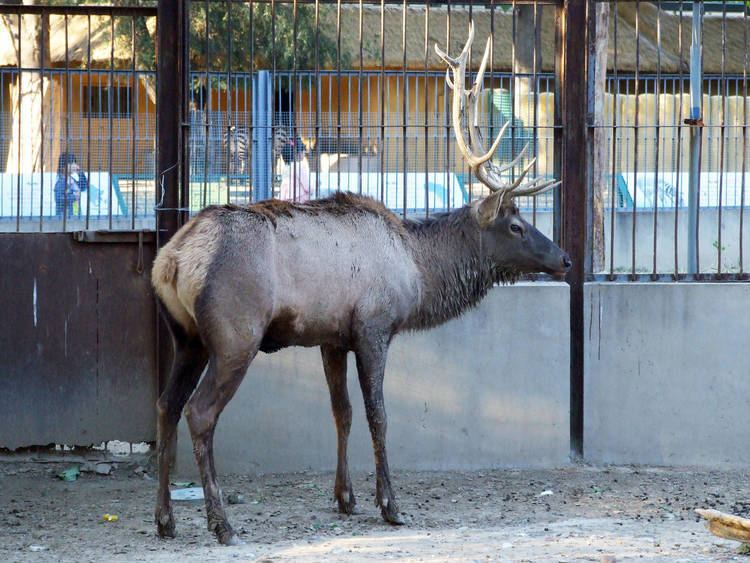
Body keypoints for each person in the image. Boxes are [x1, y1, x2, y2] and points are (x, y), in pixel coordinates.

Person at [54, 152, 88, 217]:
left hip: (74, 214)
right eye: (72, 163)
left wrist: (80, 173)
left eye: (75, 162)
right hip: (65, 217)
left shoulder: (71, 179)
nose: (75, 165)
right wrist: (74, 197)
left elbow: (83, 187)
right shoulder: (61, 181)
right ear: (64, 166)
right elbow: (58, 199)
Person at [278, 135, 310, 202]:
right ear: (299, 153)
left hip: (285, 196)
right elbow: (307, 186)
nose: (304, 153)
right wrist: (312, 189)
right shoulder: (299, 167)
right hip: (299, 197)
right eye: (303, 151)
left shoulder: (286, 167)